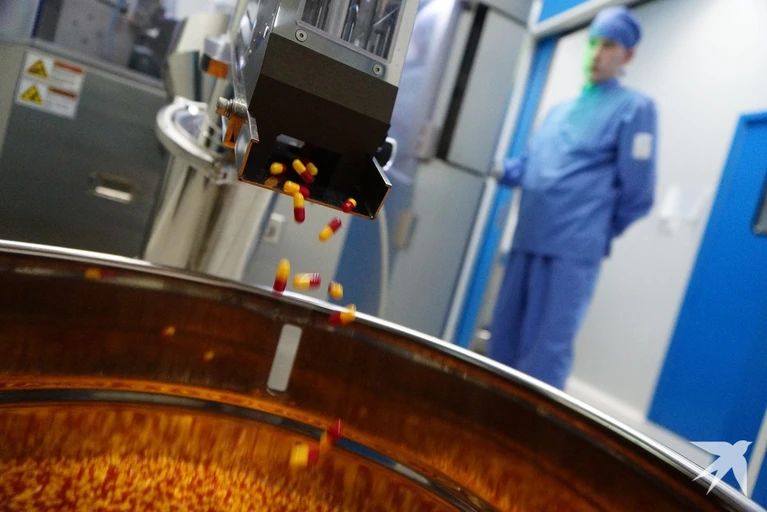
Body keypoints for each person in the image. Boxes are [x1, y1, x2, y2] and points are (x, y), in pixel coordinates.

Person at [488, 6, 657, 390]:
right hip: (528, 239)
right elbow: (527, 167)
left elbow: (639, 193)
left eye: (609, 46)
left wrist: (593, 231)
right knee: (503, 343)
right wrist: (492, 166)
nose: (597, 54)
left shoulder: (635, 109)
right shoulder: (558, 113)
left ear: (628, 55)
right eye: (593, 43)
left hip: (572, 251)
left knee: (544, 354)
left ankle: (531, 427)